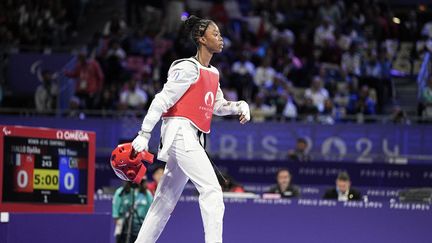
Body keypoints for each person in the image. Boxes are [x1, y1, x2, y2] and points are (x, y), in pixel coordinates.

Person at [131, 15, 250, 243]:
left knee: (164, 200)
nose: (220, 38)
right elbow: (162, 99)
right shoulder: (186, 67)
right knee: (212, 190)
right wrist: (144, 133)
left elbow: (217, 105)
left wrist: (239, 106)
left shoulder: (213, 73)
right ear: (201, 39)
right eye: (215, 34)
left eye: (220, 34)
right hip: (180, 133)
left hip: (192, 138)